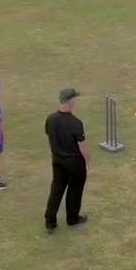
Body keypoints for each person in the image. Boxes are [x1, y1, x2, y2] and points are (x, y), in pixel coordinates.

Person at [43, 87, 89, 231]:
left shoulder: (50, 119)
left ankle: (50, 221)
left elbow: (48, 135)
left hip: (57, 160)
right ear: (70, 101)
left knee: (57, 188)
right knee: (75, 189)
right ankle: (72, 217)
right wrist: (87, 160)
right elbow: (81, 145)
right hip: (74, 162)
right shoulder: (75, 122)